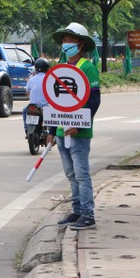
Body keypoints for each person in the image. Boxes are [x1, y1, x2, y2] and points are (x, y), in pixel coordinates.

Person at [49, 22, 101, 230]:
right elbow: (55, 101)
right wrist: (52, 130)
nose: (65, 44)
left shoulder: (87, 67)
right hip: (62, 129)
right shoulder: (62, 69)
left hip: (79, 131)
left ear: (80, 44)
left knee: (81, 173)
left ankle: (88, 215)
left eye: (69, 40)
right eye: (63, 40)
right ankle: (77, 210)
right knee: (71, 174)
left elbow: (94, 100)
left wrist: (79, 125)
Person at [22, 57, 50, 136]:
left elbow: (27, 92)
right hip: (45, 106)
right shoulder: (50, 79)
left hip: (32, 106)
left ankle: (27, 129)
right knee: (53, 116)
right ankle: (51, 133)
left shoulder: (31, 79)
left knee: (24, 111)